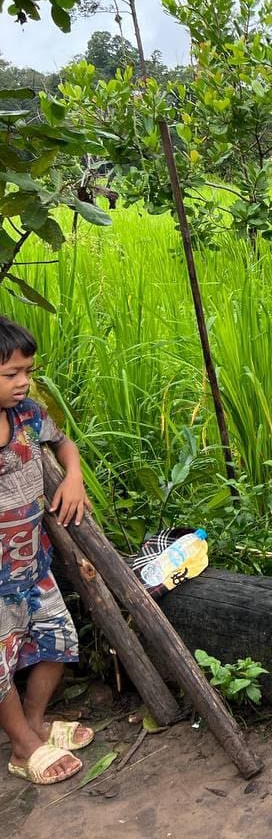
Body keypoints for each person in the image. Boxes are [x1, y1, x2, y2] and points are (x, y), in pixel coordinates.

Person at [0, 316, 92, 785]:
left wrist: (72, 475)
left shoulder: (29, 417)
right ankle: (22, 745)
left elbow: (64, 443)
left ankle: (35, 722)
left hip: (33, 567)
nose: (23, 382)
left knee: (58, 641)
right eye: (10, 374)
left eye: (27, 371)